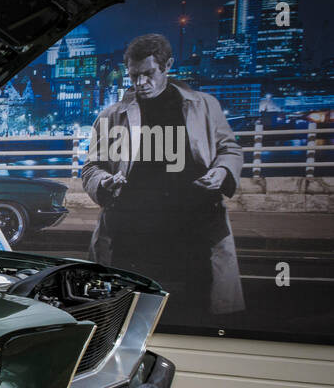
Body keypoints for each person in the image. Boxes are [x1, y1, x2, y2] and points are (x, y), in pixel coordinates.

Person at [81, 32, 245, 318]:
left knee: (197, 316)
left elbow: (229, 149)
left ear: (167, 66)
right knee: (127, 320)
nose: (140, 83)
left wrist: (221, 171)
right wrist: (104, 181)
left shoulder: (204, 105)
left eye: (148, 74)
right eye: (133, 76)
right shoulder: (110, 116)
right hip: (132, 240)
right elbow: (91, 168)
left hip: (194, 236)